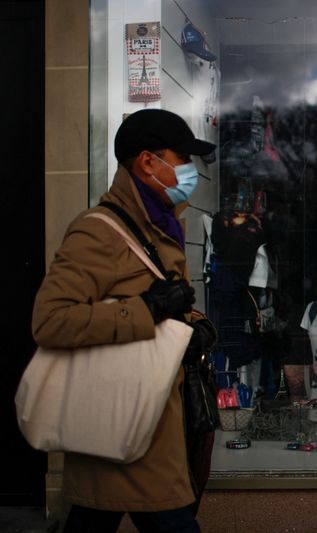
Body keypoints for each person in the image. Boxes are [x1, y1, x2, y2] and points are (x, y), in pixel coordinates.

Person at [32, 109, 218, 532]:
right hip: (125, 422)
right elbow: (51, 320)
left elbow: (168, 304)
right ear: (149, 162)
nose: (190, 171)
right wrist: (146, 310)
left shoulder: (158, 225)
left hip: (148, 420)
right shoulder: (98, 231)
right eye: (182, 158)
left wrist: (197, 327)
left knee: (92, 517)